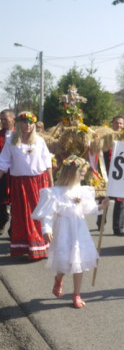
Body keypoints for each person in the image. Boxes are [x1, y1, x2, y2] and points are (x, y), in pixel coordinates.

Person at [32, 156, 108, 308]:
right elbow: (47, 214)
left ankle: (76, 294)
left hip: (79, 229)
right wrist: (46, 229)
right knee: (65, 261)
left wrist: (100, 207)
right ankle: (59, 278)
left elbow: (87, 208)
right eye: (81, 174)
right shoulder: (55, 192)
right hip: (64, 229)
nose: (83, 177)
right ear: (71, 173)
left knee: (78, 261)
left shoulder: (82, 190)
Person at [0, 111, 53, 259]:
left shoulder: (39, 141)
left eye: (30, 123)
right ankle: (25, 246)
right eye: (24, 122)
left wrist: (51, 182)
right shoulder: (11, 141)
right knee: (22, 215)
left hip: (38, 182)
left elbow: (47, 162)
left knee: (38, 214)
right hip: (20, 184)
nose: (27, 125)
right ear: (18, 123)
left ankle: (39, 245)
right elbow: (3, 162)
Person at [96, 115, 124, 236]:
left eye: (121, 123)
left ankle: (118, 228)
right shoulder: (106, 137)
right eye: (116, 123)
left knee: (120, 202)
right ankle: (100, 223)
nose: (118, 125)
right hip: (106, 173)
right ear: (112, 124)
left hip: (120, 175)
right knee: (104, 200)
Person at [0, 109, 15, 235]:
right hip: (2, 173)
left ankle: (14, 228)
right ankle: (2, 221)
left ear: (13, 119)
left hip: (16, 173)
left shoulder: (21, 135)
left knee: (17, 202)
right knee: (1, 201)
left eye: (6, 119)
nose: (3, 122)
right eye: (1, 119)